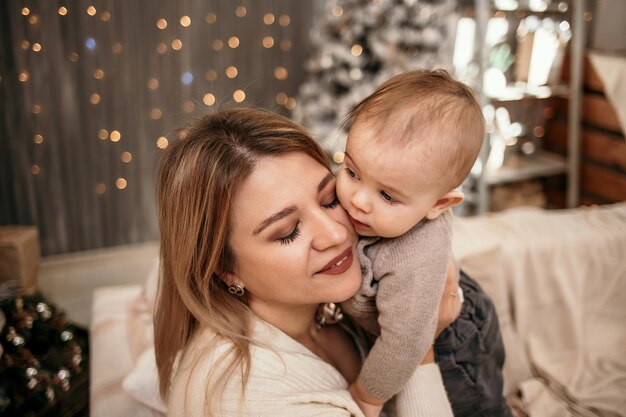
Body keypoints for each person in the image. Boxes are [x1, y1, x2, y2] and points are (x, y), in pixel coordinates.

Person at [154, 107, 461, 416]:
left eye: (329, 199)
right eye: (287, 233)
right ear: (225, 270)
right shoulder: (248, 398)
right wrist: (419, 343)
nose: (335, 233)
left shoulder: (328, 310)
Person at [337, 69, 511, 416]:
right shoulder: (365, 196)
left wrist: (368, 396)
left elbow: (406, 345)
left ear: (438, 205)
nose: (358, 200)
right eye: (352, 172)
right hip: (400, 317)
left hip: (452, 340)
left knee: (473, 406)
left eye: (387, 195)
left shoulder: (414, 257)